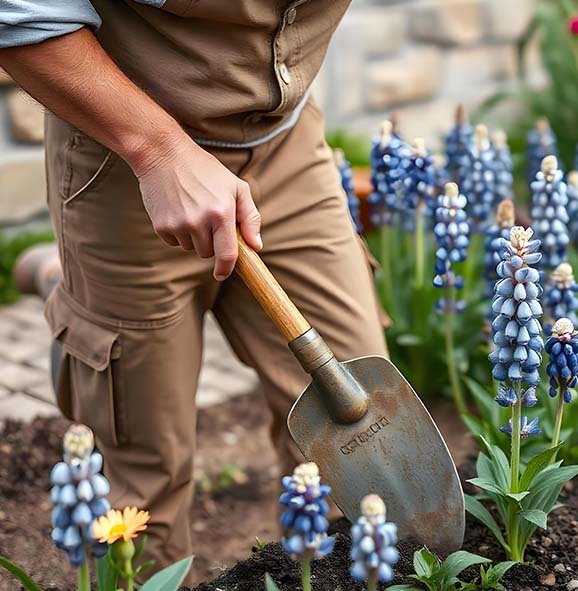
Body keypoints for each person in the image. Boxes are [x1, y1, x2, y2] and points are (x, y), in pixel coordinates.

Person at [0, 0, 387, 569]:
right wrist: (158, 150)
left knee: (365, 444)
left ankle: (70, 288)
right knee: (142, 491)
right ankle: (85, 306)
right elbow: (19, 11)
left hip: (286, 142)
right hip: (124, 159)